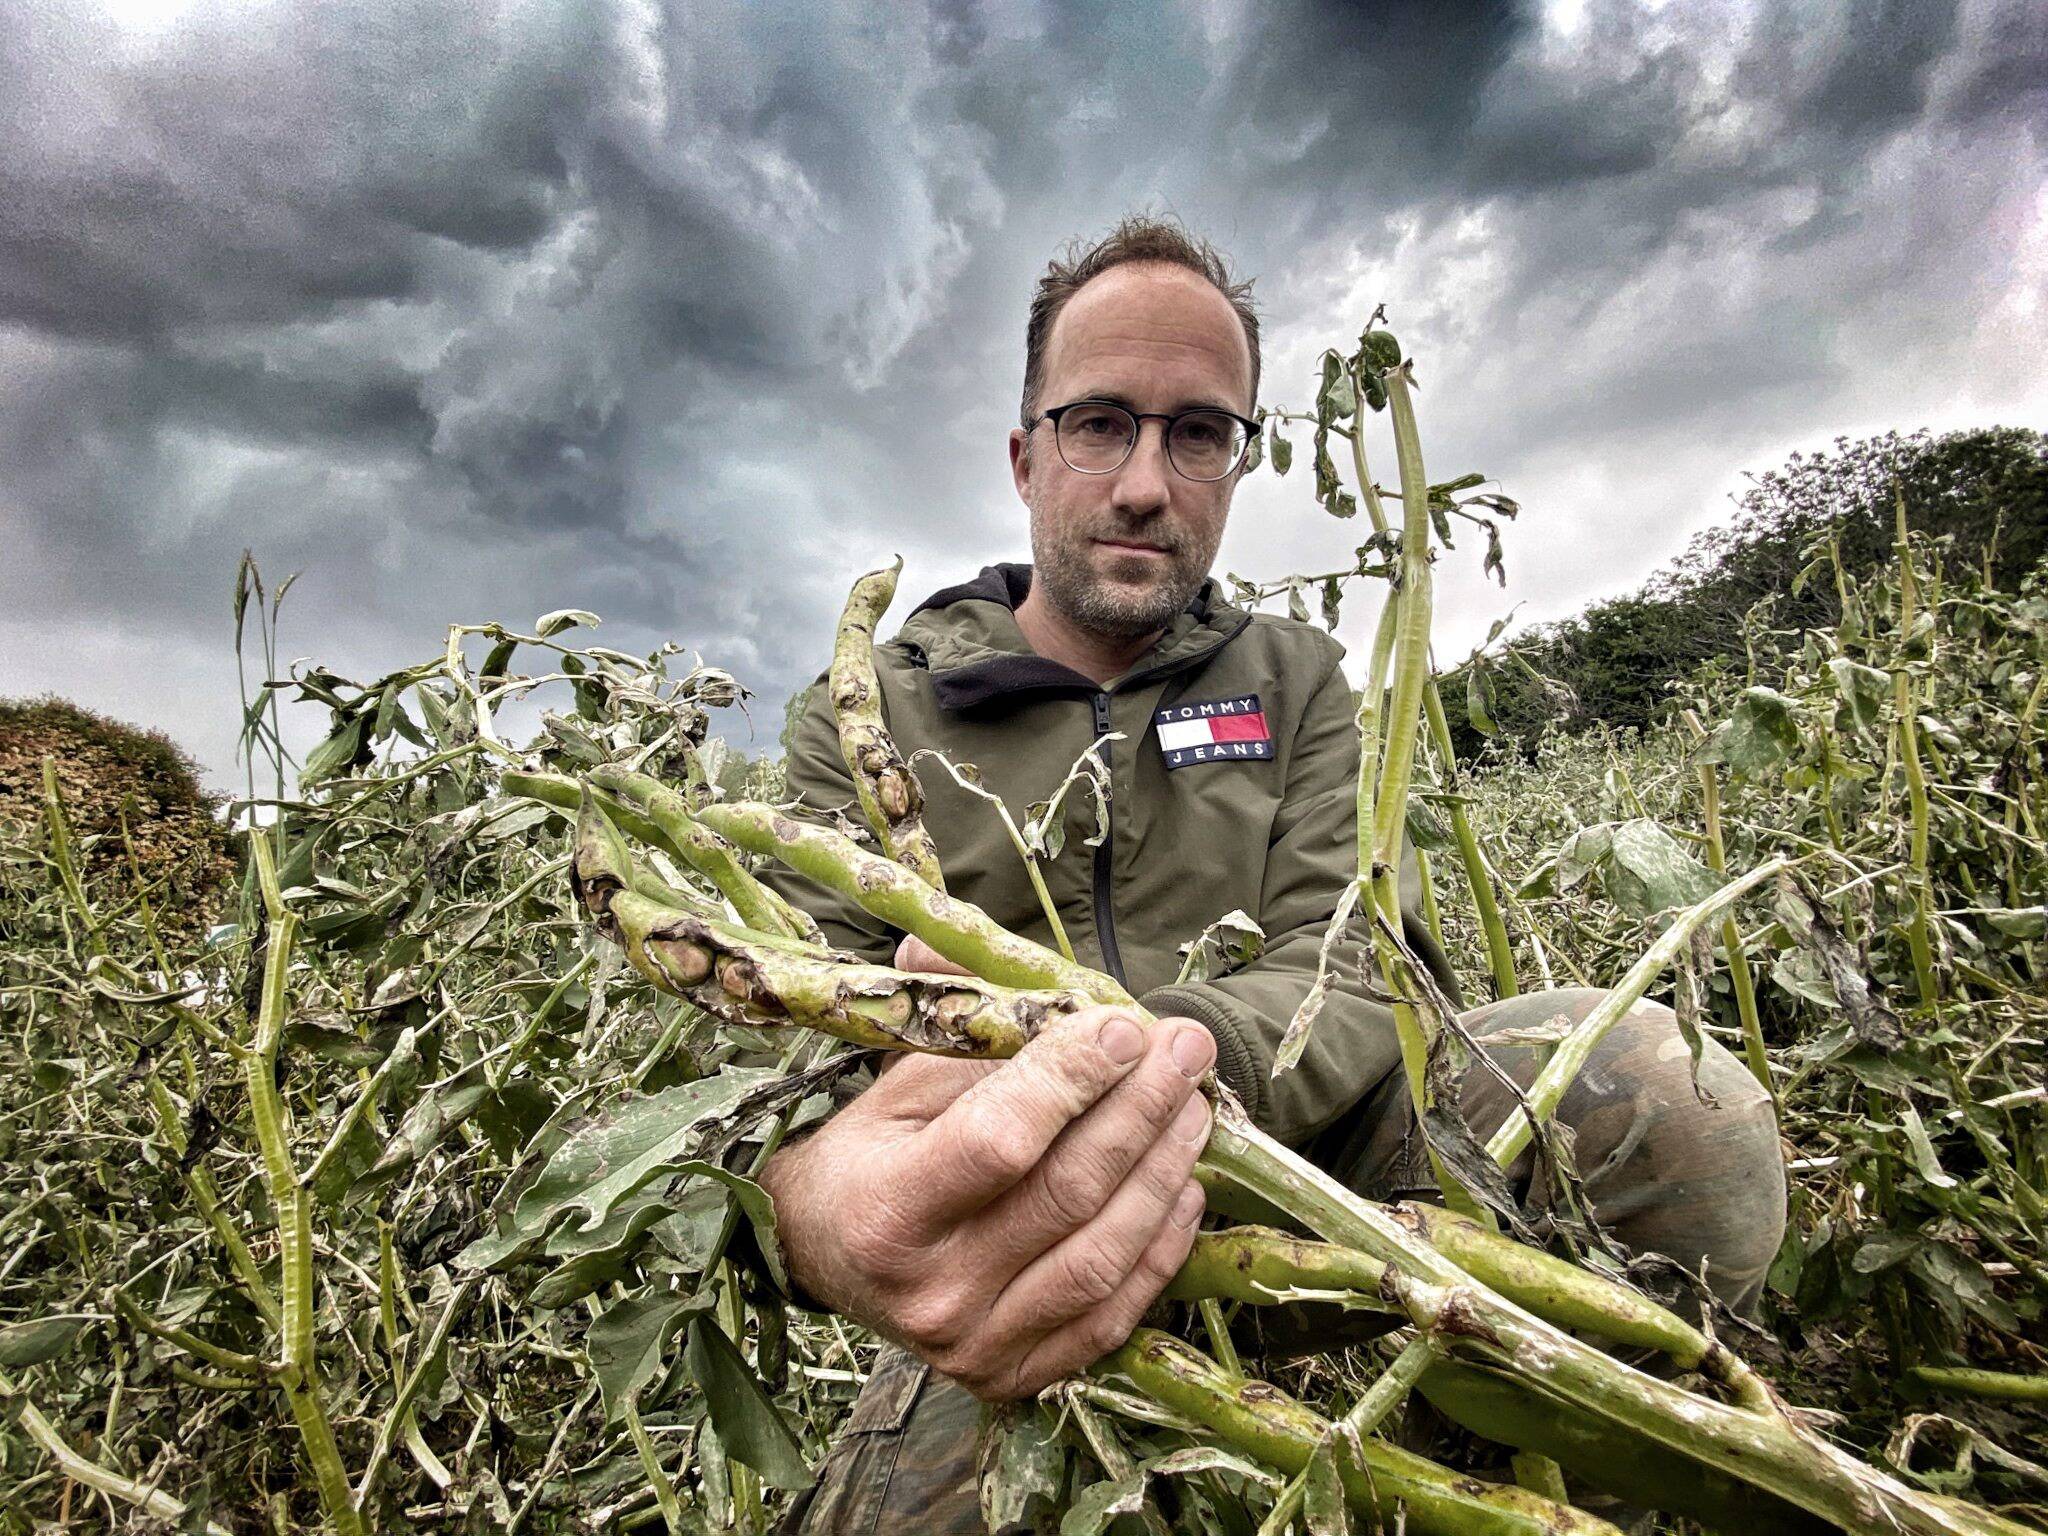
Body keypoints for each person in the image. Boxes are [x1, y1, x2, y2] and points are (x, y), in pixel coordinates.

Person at [754, 215, 1786, 1534]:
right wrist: (825, 1206)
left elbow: (1365, 956)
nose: (1145, 482)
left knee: (1668, 1094)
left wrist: (1159, 1054)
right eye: (1099, 423)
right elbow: (788, 1059)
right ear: (1025, 457)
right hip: (1029, 1214)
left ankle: (1466, 1455)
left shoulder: (1290, 678)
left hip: (1325, 1155)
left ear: (1240, 462)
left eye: (1198, 433)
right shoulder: (873, 711)